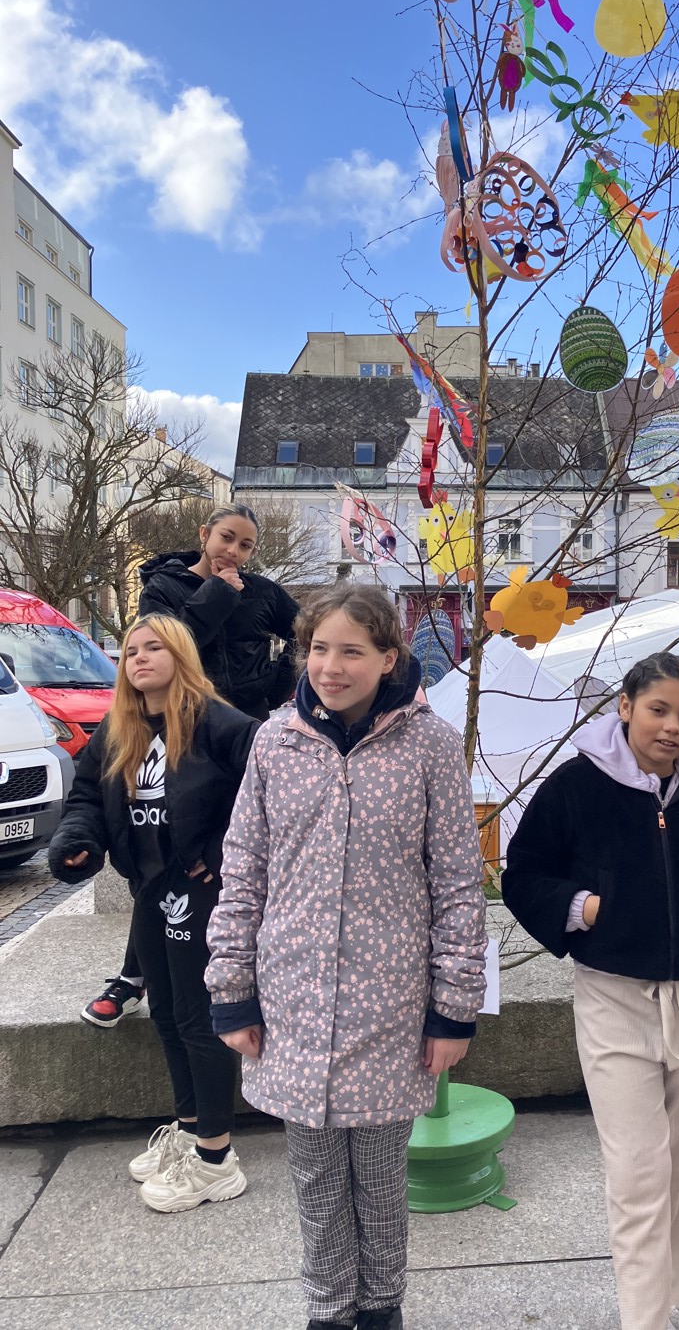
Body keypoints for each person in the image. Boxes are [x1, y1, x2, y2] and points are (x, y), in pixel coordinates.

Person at [205, 583, 487, 1330]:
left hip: (389, 1007)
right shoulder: (275, 742)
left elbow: (458, 882)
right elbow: (245, 871)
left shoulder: (428, 745)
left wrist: (453, 1009)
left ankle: (382, 1307)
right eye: (319, 649)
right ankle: (328, 1310)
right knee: (316, 1180)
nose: (331, 667)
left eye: (351, 651)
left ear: (388, 657)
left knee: (382, 1182)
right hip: (293, 1002)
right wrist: (231, 989)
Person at [502, 653, 679, 1330]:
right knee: (638, 1169)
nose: (672, 727)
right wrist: (586, 909)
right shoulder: (575, 787)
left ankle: (668, 1291)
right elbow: (522, 874)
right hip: (613, 997)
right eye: (658, 710)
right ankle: (645, 1319)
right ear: (626, 706)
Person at [49, 615, 260, 1211]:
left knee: (198, 1017)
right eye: (131, 651)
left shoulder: (220, 723)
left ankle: (216, 1159)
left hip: (200, 889)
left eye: (153, 648)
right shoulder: (119, 728)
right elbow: (88, 796)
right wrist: (77, 841)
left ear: (181, 655)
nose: (138, 658)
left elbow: (263, 792)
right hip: (148, 885)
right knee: (165, 1013)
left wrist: (219, 855)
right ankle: (190, 1132)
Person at [81, 503, 299, 1029]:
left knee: (232, 855)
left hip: (239, 731)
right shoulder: (163, 588)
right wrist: (220, 592)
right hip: (179, 732)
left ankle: (242, 966)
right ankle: (135, 974)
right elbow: (172, 648)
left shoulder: (263, 592)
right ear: (204, 534)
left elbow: (304, 632)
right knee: (161, 853)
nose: (234, 551)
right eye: (226, 538)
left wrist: (277, 681)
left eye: (245, 545)